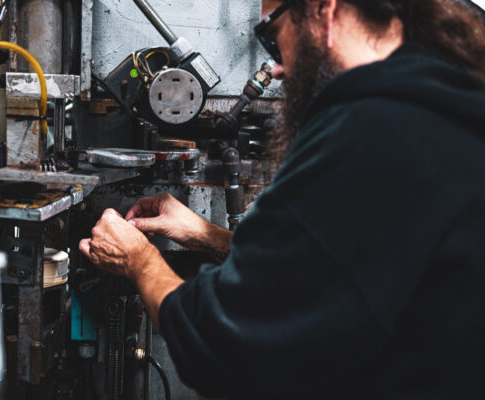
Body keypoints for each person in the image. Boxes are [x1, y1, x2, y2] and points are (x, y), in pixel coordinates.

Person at [80, 0, 485, 398]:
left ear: (325, 10)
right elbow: (343, 264)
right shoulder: (443, 107)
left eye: (273, 38)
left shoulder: (371, 129)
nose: (277, 67)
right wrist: (206, 234)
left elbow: (224, 347)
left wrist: (138, 260)